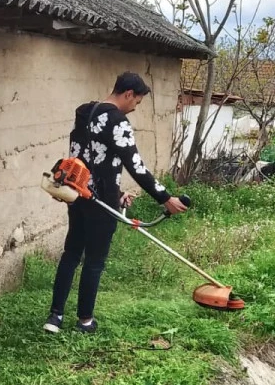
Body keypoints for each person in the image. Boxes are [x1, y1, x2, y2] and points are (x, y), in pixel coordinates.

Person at [45, 72, 186, 334]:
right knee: (94, 261)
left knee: (71, 253)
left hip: (76, 194)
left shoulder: (84, 112)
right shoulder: (117, 121)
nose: (135, 108)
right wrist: (165, 198)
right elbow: (136, 166)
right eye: (137, 102)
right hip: (101, 204)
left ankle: (55, 317)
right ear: (128, 94)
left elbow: (89, 158)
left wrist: (117, 191)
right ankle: (85, 321)